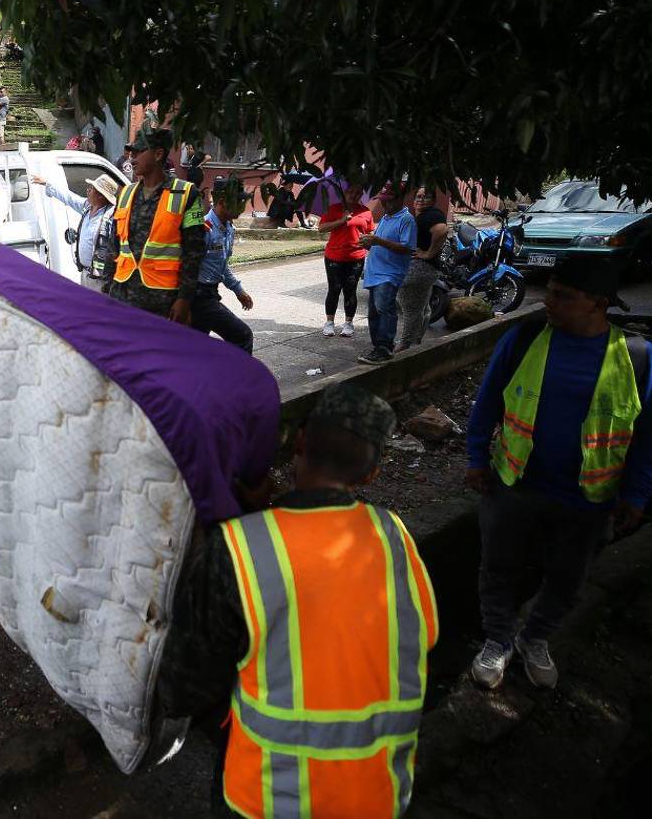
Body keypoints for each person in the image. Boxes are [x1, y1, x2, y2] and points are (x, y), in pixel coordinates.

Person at [158, 384, 438, 819]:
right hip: (378, 796)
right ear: (371, 475)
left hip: (266, 798)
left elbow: (183, 688)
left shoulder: (235, 549)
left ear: (299, 442)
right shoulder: (394, 537)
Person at [465, 257, 652, 691]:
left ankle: (535, 638)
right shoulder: (524, 339)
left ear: (598, 304)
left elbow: (647, 434)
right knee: (498, 568)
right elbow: (488, 403)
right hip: (513, 486)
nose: (547, 301)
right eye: (548, 290)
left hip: (587, 499)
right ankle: (498, 640)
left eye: (562, 295)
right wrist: (476, 458)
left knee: (569, 577)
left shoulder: (637, 358)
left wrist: (638, 494)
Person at [107, 127, 205, 323]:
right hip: (122, 295)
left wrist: (184, 299)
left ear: (158, 154)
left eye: (138, 152)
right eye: (130, 153)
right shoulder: (125, 193)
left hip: (163, 301)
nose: (132, 158)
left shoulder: (186, 193)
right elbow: (114, 246)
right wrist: (106, 287)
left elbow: (194, 253)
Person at [356, 183, 417, 364]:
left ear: (399, 199)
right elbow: (380, 242)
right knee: (374, 312)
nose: (385, 204)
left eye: (388, 200)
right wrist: (369, 243)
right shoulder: (386, 217)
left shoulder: (406, 219)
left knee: (385, 309)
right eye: (383, 201)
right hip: (375, 272)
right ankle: (378, 348)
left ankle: (385, 348)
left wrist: (377, 240)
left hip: (389, 273)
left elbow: (407, 248)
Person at [193, 179, 255, 353]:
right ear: (221, 202)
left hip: (210, 293)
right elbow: (187, 267)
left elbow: (221, 266)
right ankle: (239, 379)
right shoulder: (204, 229)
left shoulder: (228, 229)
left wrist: (238, 290)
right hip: (199, 296)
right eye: (238, 202)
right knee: (242, 336)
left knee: (196, 349)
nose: (241, 206)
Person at [317, 180, 375, 338]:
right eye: (351, 192)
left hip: (356, 258)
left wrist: (368, 241)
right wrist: (341, 220)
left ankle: (348, 323)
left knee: (350, 291)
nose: (355, 195)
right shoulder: (334, 209)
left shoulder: (366, 212)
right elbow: (321, 229)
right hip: (334, 256)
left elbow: (370, 233)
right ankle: (329, 322)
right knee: (334, 289)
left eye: (358, 193)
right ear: (344, 193)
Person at [41, 173, 118, 291]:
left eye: (92, 189)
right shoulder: (87, 208)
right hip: (86, 274)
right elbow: (69, 198)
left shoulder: (111, 216)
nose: (88, 190)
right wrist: (47, 184)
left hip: (101, 279)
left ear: (101, 196)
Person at [396, 189, 449, 351]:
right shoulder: (429, 214)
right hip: (428, 269)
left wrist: (428, 253)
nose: (421, 199)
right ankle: (416, 341)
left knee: (410, 310)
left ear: (432, 200)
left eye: (426, 196)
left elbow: (441, 230)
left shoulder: (429, 215)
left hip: (418, 269)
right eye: (418, 196)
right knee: (423, 308)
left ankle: (404, 345)